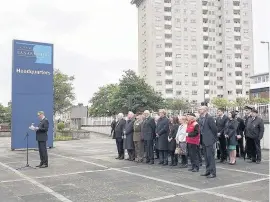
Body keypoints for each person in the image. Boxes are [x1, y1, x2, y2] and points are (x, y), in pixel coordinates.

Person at [198, 106, 218, 178]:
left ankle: (213, 173)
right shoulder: (200, 118)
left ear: (205, 110)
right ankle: (208, 171)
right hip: (203, 139)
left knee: (210, 157)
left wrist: (213, 138)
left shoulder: (209, 118)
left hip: (209, 140)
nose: (199, 110)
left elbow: (214, 129)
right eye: (199, 109)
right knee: (206, 157)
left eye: (201, 109)